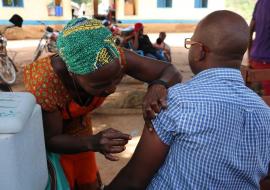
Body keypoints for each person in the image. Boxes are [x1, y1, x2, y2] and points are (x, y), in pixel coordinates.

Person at [104, 10, 270, 190]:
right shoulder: (264, 112)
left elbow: (134, 178)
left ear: (200, 51)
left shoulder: (176, 101)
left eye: (190, 43)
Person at [24, 18, 182, 190]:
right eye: (100, 86)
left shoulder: (114, 58)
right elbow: (51, 139)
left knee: (87, 180)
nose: (112, 90)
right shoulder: (45, 82)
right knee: (62, 181)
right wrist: (92, 143)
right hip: (56, 144)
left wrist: (159, 84)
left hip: (82, 131)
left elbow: (170, 70)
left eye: (117, 78)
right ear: (72, 73)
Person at [248, 0, 270, 96]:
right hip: (266, 61)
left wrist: (250, 56)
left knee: (260, 101)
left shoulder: (260, 2)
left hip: (255, 59)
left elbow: (250, 30)